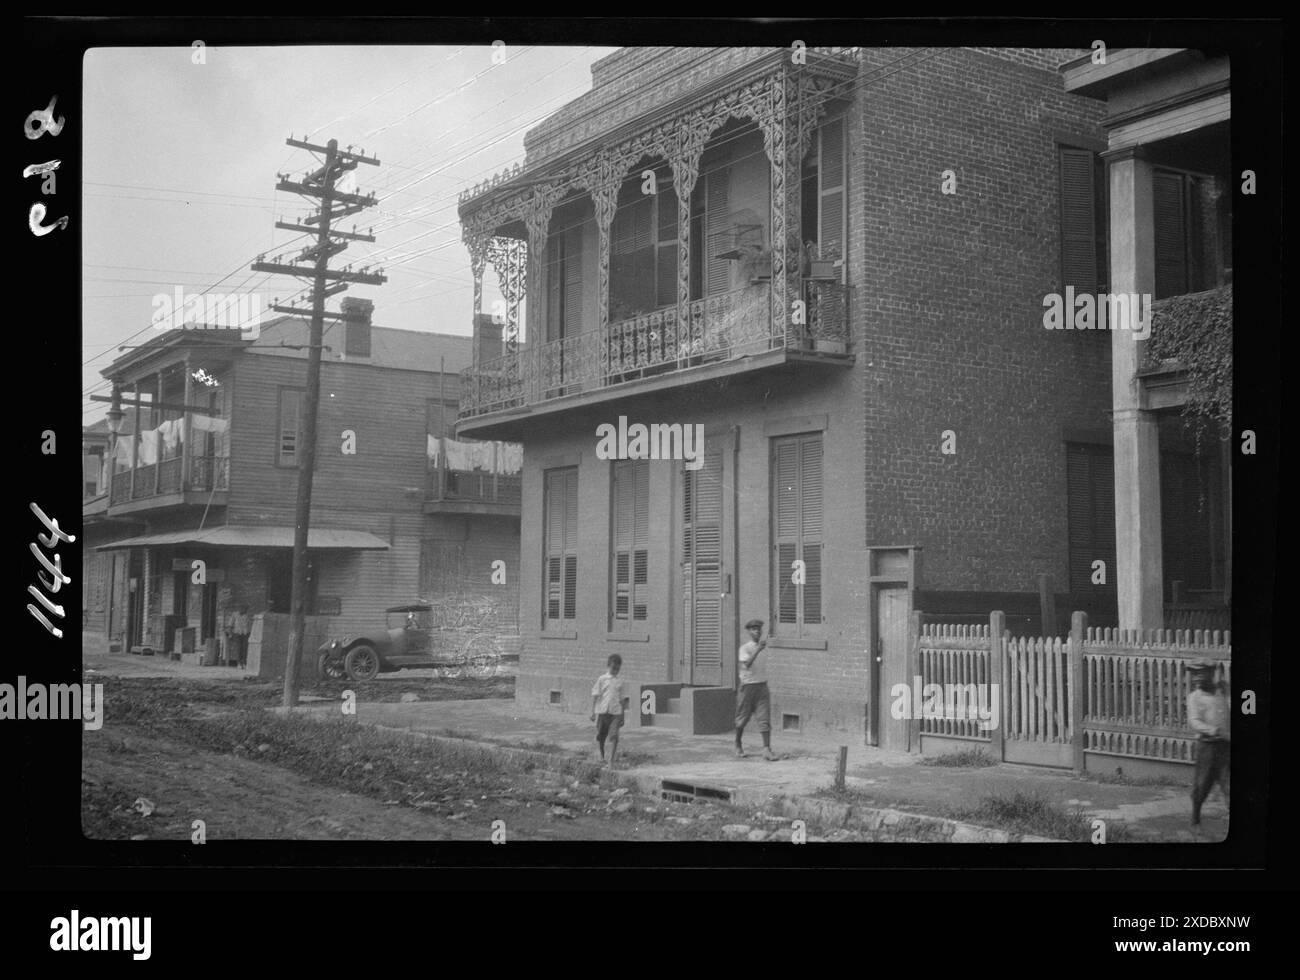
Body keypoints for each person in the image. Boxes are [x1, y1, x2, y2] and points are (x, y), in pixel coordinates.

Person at [1187, 658, 1229, 829]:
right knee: (1202, 784)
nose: (1196, 677)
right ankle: (1195, 816)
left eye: (1200, 673)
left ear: (1211, 673)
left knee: (1228, 782)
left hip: (1225, 747)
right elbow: (1194, 721)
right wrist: (1213, 730)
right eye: (1194, 674)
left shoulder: (1222, 692)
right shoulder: (1195, 697)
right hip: (1207, 747)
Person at [736, 618, 776, 761]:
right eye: (753, 629)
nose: (757, 631)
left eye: (758, 629)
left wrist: (761, 648)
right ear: (749, 632)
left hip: (761, 686)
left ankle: (766, 749)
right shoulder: (745, 648)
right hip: (747, 687)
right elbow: (747, 664)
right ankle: (738, 744)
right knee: (742, 718)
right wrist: (758, 649)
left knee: (764, 718)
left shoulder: (763, 648)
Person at [590, 654, 629, 767]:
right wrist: (592, 712)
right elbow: (595, 695)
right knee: (601, 735)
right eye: (613, 668)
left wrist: (623, 716)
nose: (615, 671)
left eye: (617, 669)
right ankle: (602, 756)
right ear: (608, 666)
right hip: (602, 711)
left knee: (614, 736)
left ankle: (611, 760)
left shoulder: (619, 682)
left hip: (615, 713)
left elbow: (622, 700)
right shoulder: (602, 679)